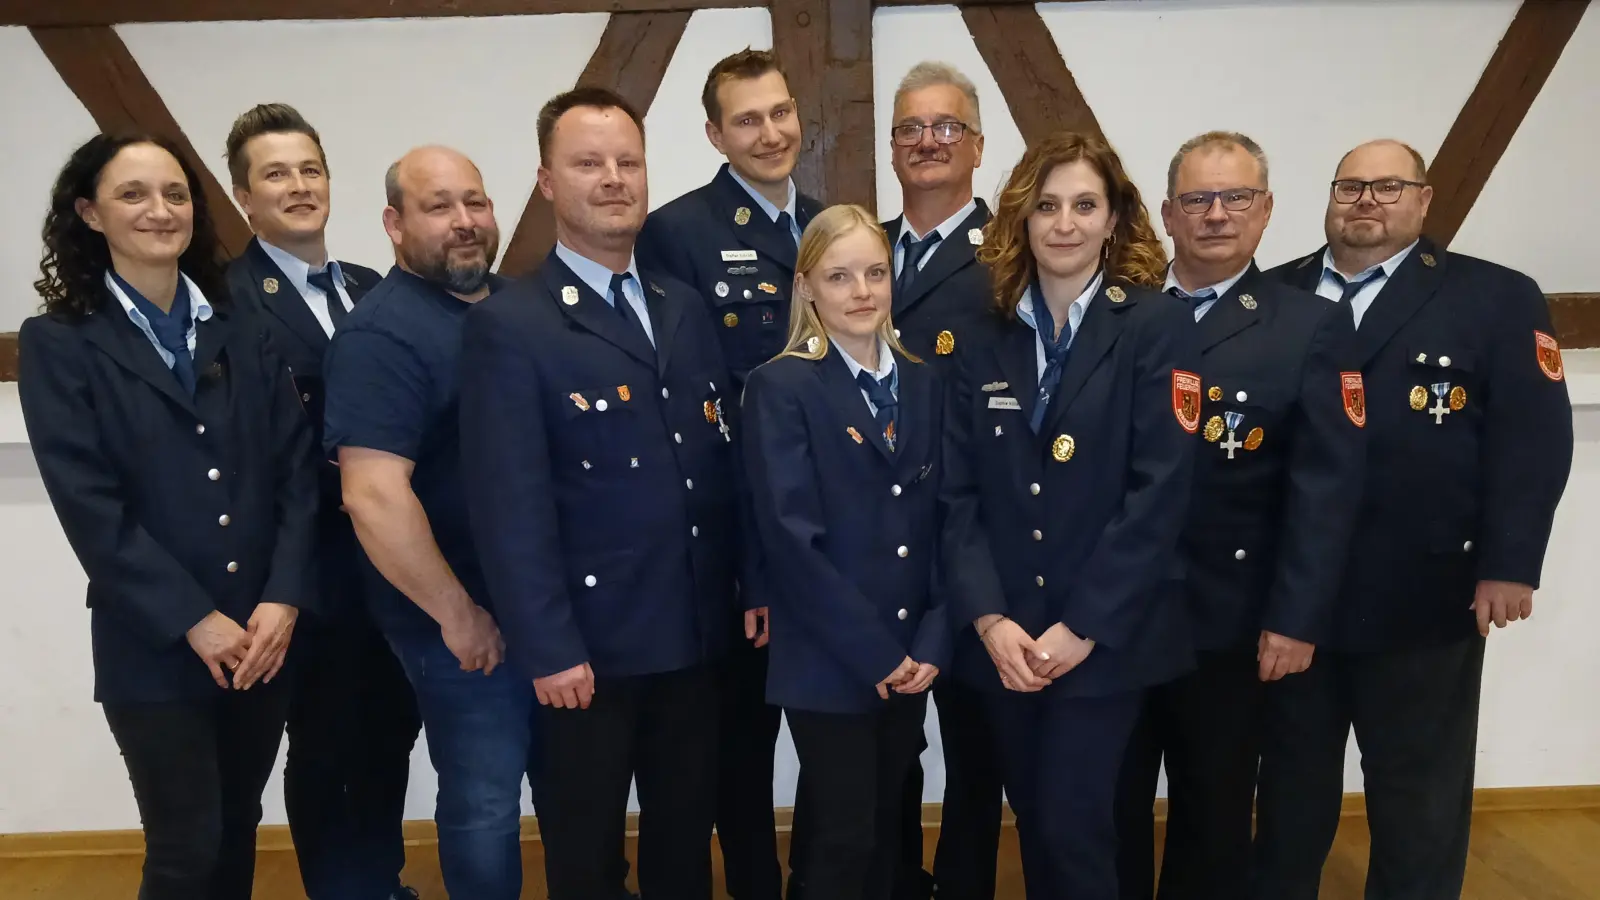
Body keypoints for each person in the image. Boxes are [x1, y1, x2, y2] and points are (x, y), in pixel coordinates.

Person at [1254, 138, 1573, 900]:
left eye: (1388, 186)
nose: (1366, 200)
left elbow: (1534, 437)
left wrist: (1510, 561)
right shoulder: (1274, 294)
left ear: (1425, 201)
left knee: (1418, 798)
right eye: (1350, 186)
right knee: (1288, 792)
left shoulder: (1495, 297)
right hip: (1293, 597)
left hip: (1424, 592)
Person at [459, 87, 744, 900]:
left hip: (692, 634)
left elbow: (716, 467)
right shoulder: (512, 324)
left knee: (685, 846)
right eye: (589, 163)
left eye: (628, 161)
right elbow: (507, 504)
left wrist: (743, 588)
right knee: (587, 859)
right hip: (588, 651)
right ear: (548, 182)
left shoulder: (681, 308)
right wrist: (548, 646)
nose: (614, 179)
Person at [18, 132, 319, 900]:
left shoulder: (243, 323)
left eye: (176, 194)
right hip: (153, 644)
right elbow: (91, 509)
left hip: (260, 637)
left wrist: (282, 598)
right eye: (133, 194)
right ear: (89, 213)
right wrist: (195, 619)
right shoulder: (60, 344)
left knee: (238, 822)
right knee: (186, 847)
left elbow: (294, 472)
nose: (161, 210)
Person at [940, 131, 1196, 900]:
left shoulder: (1155, 326)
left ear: (1115, 219)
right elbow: (953, 494)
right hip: (1008, 638)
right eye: (1047, 206)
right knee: (1036, 823)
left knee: (1073, 824)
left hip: (1103, 635)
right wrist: (989, 620)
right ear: (1021, 216)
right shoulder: (979, 328)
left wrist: (1082, 626)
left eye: (1086, 205)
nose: (1065, 223)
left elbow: (1160, 496)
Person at [1111, 131, 1365, 900]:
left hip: (1226, 621)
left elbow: (1328, 489)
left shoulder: (1308, 328)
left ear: (1265, 212)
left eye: (1236, 199)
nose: (1216, 215)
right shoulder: (1118, 316)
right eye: (1197, 199)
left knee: (1215, 813)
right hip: (1113, 615)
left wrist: (1296, 617)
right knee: (1108, 804)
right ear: (1166, 213)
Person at [221, 102, 422, 900]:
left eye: (310, 169)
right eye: (275, 174)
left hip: (396, 567)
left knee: (390, 738)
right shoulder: (231, 302)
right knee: (329, 748)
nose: (299, 186)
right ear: (244, 197)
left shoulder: (373, 288)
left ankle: (383, 882)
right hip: (314, 571)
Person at [321, 145, 533, 900]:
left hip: (543, 608)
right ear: (394, 223)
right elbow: (372, 495)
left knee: (569, 790)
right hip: (459, 623)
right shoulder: (383, 335)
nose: (465, 222)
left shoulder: (518, 307)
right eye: (439, 206)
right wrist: (458, 614)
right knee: (483, 804)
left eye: (474, 202)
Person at [635, 52, 823, 898]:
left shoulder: (829, 228)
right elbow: (689, 405)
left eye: (780, 112)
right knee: (738, 755)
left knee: (837, 744)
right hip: (738, 538)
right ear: (714, 133)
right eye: (748, 119)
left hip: (834, 534)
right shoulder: (678, 232)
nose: (771, 131)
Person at [742, 203, 950, 900]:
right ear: (806, 288)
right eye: (839, 276)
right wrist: (877, 654)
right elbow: (792, 541)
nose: (861, 291)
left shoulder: (924, 382)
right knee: (842, 839)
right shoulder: (782, 386)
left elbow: (950, 520)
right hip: (832, 658)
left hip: (913, 652)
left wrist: (931, 640)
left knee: (891, 828)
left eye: (874, 272)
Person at [880, 60, 1003, 900]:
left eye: (946, 126)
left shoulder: (1012, 258)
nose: (928, 141)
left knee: (977, 747)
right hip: (877, 543)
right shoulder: (861, 248)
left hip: (978, 540)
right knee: (883, 744)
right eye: (911, 128)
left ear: (978, 145)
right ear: (891, 147)